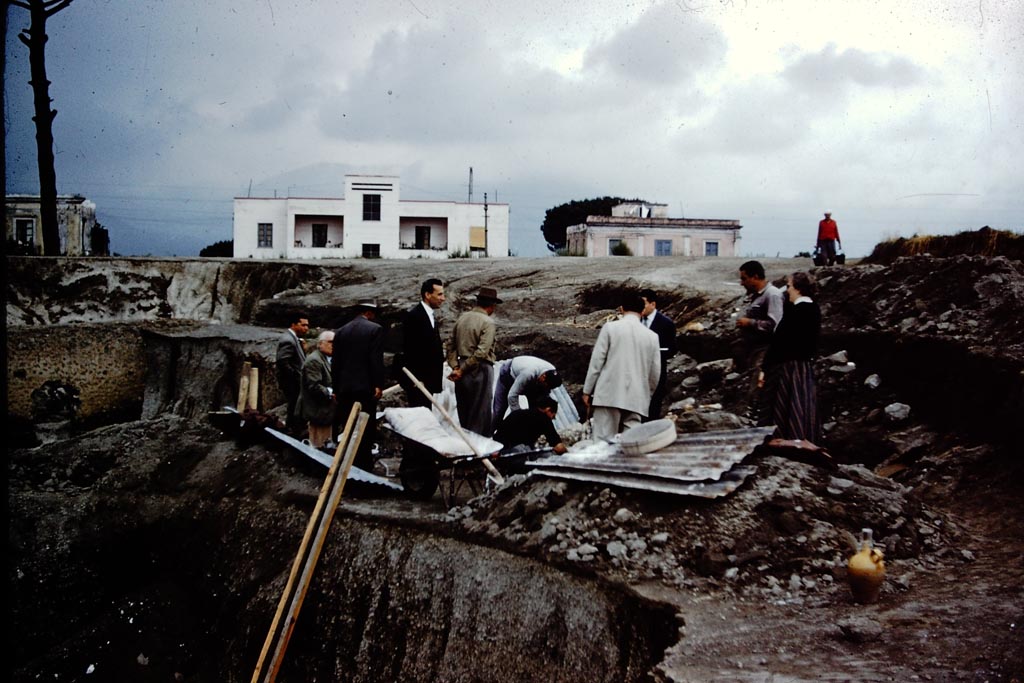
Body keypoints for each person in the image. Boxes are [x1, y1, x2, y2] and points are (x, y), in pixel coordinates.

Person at [582, 292, 662, 442]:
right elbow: (655, 372)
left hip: (608, 394)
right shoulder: (652, 336)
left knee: (602, 442)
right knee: (631, 444)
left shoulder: (610, 328)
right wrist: (647, 393)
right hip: (637, 397)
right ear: (642, 311)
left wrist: (588, 390)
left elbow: (597, 362)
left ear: (622, 308)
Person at [761, 272, 822, 443]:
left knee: (784, 405)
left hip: (787, 367)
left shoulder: (796, 311)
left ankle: (784, 440)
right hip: (804, 367)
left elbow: (779, 342)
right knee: (801, 403)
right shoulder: (814, 309)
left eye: (788, 286)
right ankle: (801, 438)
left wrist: (765, 368)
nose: (787, 290)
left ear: (797, 288)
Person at [332, 299, 384, 470]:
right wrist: (377, 384)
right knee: (366, 431)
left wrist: (336, 388)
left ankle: (348, 466)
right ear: (369, 313)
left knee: (348, 429)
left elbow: (336, 363)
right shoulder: (374, 330)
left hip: (345, 389)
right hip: (365, 388)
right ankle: (364, 468)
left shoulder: (341, 332)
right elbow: (375, 360)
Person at [733, 261, 785, 420]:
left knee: (758, 388)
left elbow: (776, 324)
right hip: (754, 349)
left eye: (744, 278)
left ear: (755, 276)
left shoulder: (773, 295)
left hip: (766, 350)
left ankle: (757, 421)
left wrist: (750, 323)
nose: (742, 283)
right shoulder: (758, 296)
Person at [447, 286, 501, 435]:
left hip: (461, 368)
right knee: (480, 412)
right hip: (480, 369)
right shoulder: (487, 322)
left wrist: (456, 368)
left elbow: (450, 346)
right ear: (492, 306)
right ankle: (478, 449)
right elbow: (482, 352)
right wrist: (463, 369)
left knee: (464, 408)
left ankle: (466, 444)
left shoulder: (462, 318)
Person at [397, 278, 446, 407]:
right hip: (419, 382)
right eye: (439, 294)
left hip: (428, 381)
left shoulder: (429, 315)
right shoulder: (414, 316)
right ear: (428, 295)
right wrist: (417, 379)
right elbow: (410, 349)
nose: (443, 298)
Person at [491, 355, 562, 432]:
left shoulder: (552, 373)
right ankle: (489, 435)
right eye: (547, 385)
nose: (547, 388)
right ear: (543, 377)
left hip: (533, 381)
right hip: (508, 375)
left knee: (537, 409)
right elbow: (512, 396)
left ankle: (533, 434)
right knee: (499, 411)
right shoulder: (528, 373)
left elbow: (545, 397)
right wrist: (519, 416)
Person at [639, 289, 678, 420]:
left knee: (654, 404)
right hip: (638, 370)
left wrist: (656, 352)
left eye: (643, 303)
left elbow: (672, 349)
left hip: (657, 370)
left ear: (653, 304)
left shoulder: (666, 324)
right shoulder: (636, 321)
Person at [296, 330, 335, 448]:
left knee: (326, 441)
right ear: (320, 344)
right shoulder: (314, 360)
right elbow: (313, 386)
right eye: (330, 342)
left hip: (325, 410)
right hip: (316, 410)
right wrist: (331, 392)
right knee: (318, 444)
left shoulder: (327, 358)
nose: (333, 345)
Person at [493, 395, 568, 455]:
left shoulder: (517, 413)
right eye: (553, 416)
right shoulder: (544, 419)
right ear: (548, 410)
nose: (552, 419)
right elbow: (559, 447)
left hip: (496, 450)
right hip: (514, 453)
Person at [275, 313, 309, 435]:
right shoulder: (288, 340)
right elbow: (282, 362)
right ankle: (291, 430)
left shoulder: (294, 339)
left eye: (307, 325)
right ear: (294, 324)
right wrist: (295, 376)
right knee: (294, 405)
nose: (306, 328)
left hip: (294, 380)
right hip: (291, 381)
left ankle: (293, 429)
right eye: (303, 325)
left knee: (295, 405)